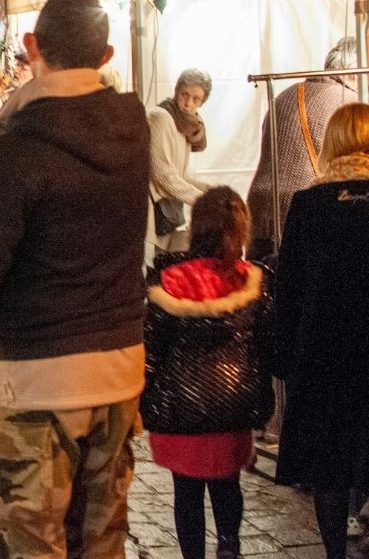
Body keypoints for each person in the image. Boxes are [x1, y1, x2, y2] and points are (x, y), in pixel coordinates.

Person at [0, 0, 150, 558]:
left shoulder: (15, 147)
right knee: (101, 544)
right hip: (121, 369)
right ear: (105, 55)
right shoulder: (134, 133)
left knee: (31, 543)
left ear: (31, 47)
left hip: (40, 375)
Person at [143, 187, 272, 559]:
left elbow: (153, 350)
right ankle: (229, 546)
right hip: (233, 413)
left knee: (186, 494)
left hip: (180, 411)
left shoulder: (169, 280)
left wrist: (141, 398)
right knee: (228, 486)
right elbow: (265, 348)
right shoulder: (253, 282)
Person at [274, 102, 369, 559]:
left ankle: (335, 552)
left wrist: (282, 361)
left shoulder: (309, 205)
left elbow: (288, 288)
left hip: (323, 359)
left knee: (329, 468)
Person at [246, 37, 357, 261]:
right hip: (302, 205)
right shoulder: (348, 102)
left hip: (259, 204)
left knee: (265, 284)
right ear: (353, 73)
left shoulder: (285, 94)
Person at [148, 69, 212, 257]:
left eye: (196, 98)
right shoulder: (161, 116)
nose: (188, 103)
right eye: (185, 94)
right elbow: (163, 174)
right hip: (152, 214)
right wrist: (203, 200)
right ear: (176, 91)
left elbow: (180, 174)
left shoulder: (187, 125)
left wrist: (209, 190)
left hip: (169, 213)